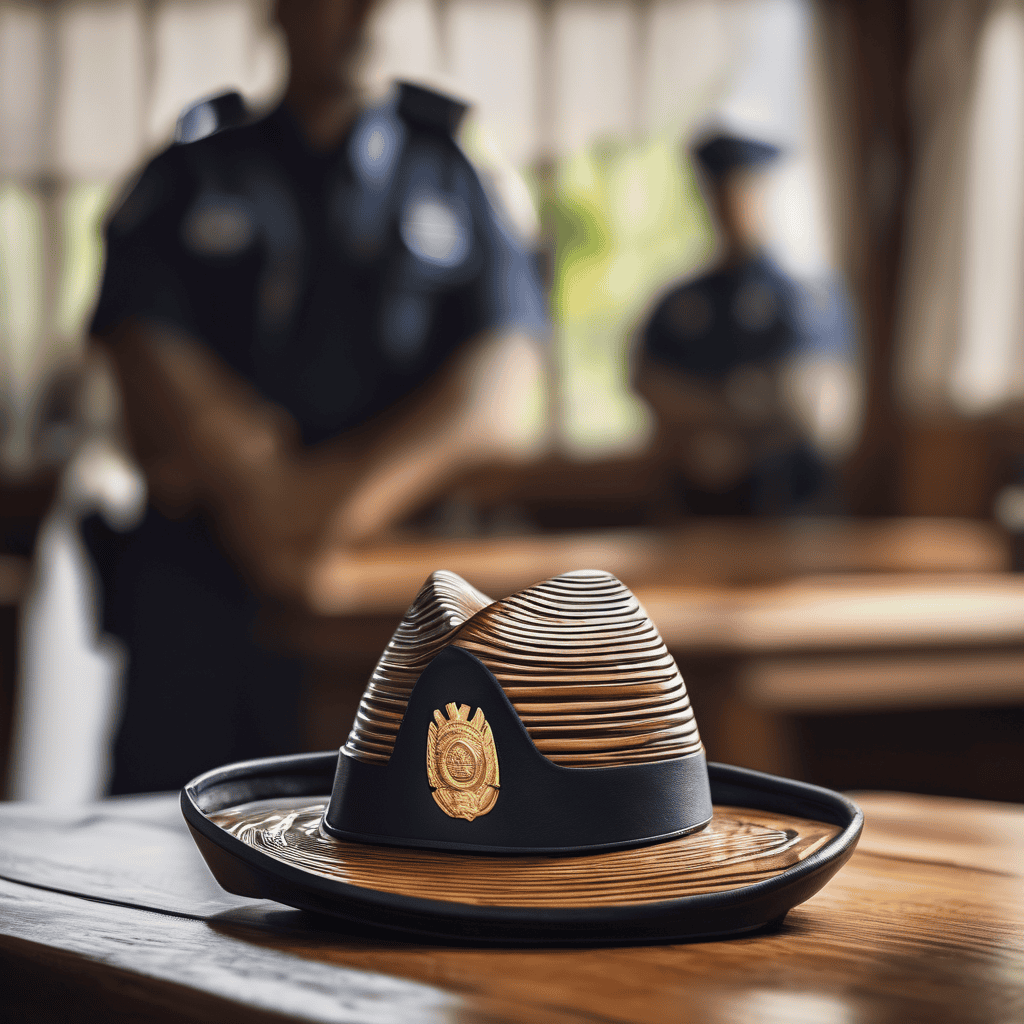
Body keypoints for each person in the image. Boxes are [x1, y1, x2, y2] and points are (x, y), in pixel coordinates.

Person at [85, 0, 548, 793]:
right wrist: (251, 492)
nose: (370, 12)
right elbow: (139, 345)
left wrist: (325, 514)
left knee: (396, 859)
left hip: (395, 604)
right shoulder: (191, 168)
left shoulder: (456, 170)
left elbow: (498, 389)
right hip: (199, 598)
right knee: (161, 849)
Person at [634, 131, 837, 516]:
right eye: (719, 194)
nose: (731, 207)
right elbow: (649, 384)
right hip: (696, 499)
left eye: (743, 191)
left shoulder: (805, 297)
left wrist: (708, 411)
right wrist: (737, 405)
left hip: (790, 497)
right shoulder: (679, 303)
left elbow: (809, 405)